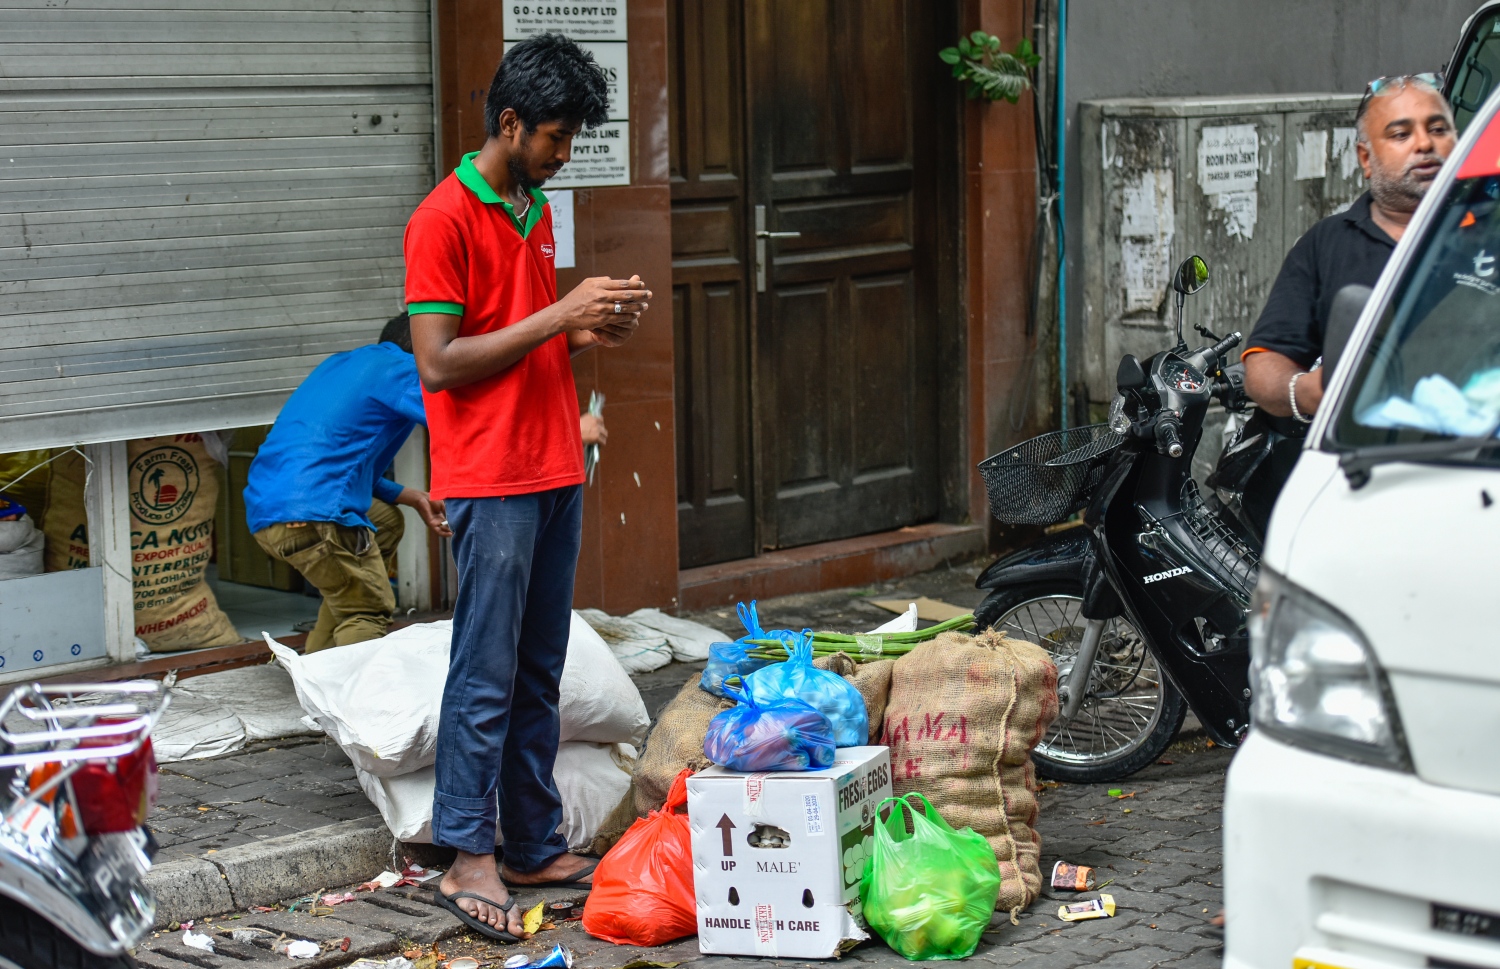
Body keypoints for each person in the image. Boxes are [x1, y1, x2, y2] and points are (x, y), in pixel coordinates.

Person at [403, 34, 649, 943]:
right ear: (510, 122)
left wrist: (591, 327)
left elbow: (521, 337)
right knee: (485, 669)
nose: (563, 153)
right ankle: (468, 852)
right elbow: (440, 362)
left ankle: (535, 840)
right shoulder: (441, 219)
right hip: (491, 475)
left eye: (573, 138)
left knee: (540, 666)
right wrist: (558, 313)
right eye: (555, 136)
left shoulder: (531, 206)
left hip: (552, 465)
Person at [1236, 73, 1456, 531]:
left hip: (1472, 481)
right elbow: (1264, 366)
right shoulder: (1326, 244)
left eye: (1438, 129)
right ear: (1366, 158)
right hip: (1358, 495)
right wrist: (1311, 393)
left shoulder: (1485, 235)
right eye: (1401, 134)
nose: (1425, 144)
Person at [244, 313, 451, 651]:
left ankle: (319, 665)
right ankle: (355, 683)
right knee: (366, 609)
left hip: (271, 512)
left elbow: (335, 463)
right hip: (318, 515)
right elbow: (460, 422)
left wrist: (412, 496)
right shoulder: (402, 369)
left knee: (383, 525)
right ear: (425, 343)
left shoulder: (341, 364)